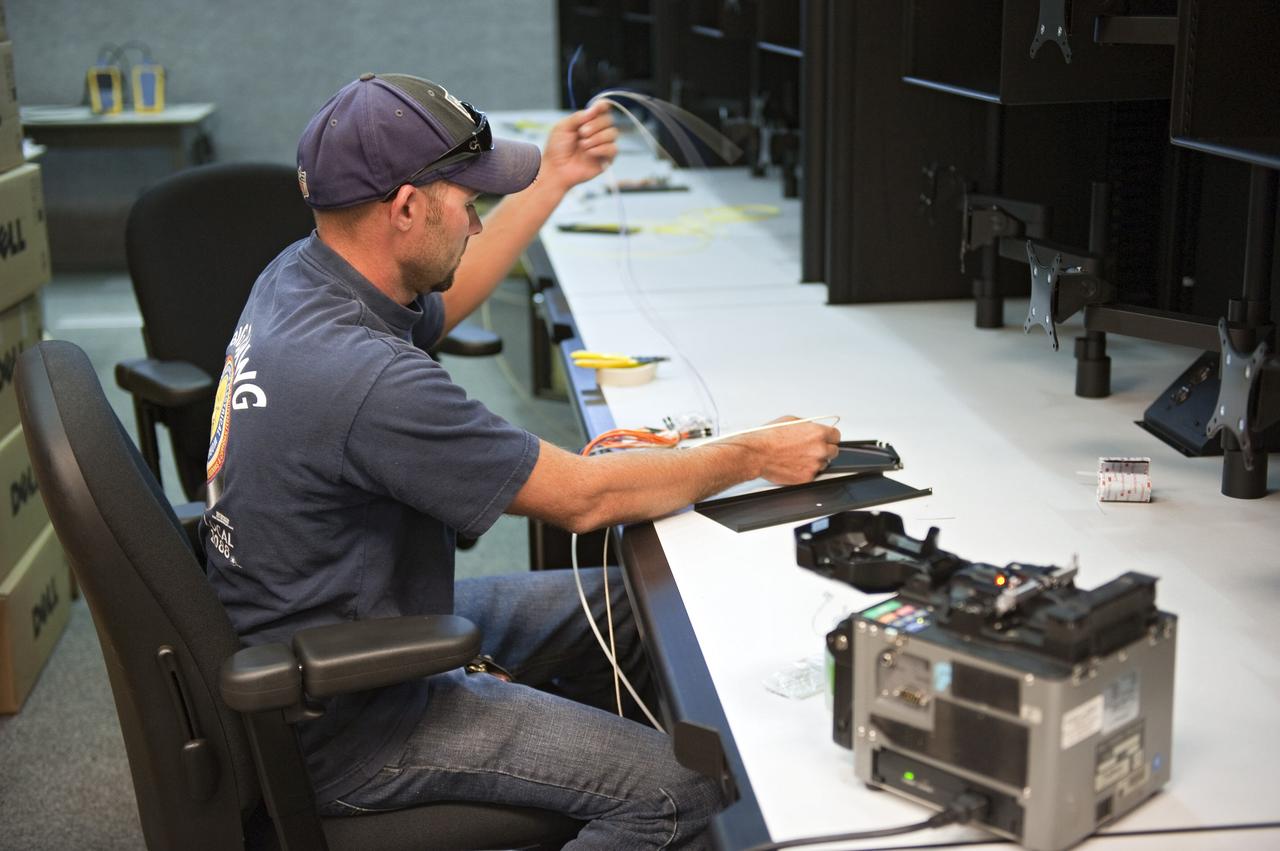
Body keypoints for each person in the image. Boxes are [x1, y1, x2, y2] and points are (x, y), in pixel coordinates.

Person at [202, 72, 840, 849]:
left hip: (339, 635)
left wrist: (555, 180)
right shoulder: (362, 377)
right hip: (358, 719)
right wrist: (755, 451)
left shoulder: (305, 273)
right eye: (469, 201)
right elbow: (584, 498)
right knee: (690, 789)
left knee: (638, 607)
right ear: (405, 208)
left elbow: (445, 295)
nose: (477, 222)